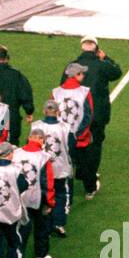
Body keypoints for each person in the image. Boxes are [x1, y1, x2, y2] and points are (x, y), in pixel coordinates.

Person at [62, 35, 122, 181]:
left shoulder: (72, 66)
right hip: (97, 113)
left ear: (82, 47)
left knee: (75, 141)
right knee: (95, 144)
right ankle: (91, 174)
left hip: (75, 113)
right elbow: (117, 72)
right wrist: (106, 58)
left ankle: (79, 169)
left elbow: (63, 87)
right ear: (96, 48)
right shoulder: (102, 64)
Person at [53, 62, 98, 200]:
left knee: (62, 166)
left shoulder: (56, 92)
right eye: (81, 73)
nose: (83, 75)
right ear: (75, 75)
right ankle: (90, 190)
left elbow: (53, 114)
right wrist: (80, 134)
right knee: (85, 165)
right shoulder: (84, 91)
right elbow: (88, 115)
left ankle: (63, 195)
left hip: (60, 138)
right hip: (80, 139)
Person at [13, 124, 56, 258]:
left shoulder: (16, 153)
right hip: (37, 198)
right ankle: (40, 256)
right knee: (41, 228)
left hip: (18, 197)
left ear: (29, 138)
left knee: (21, 228)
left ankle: (18, 256)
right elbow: (48, 182)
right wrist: (49, 202)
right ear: (42, 140)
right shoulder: (44, 157)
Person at [36, 99, 74, 237]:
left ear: (44, 110)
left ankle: (45, 223)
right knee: (60, 194)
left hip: (41, 169)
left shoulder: (36, 127)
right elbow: (72, 147)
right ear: (58, 112)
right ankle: (58, 223)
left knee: (43, 195)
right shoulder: (66, 127)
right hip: (61, 168)